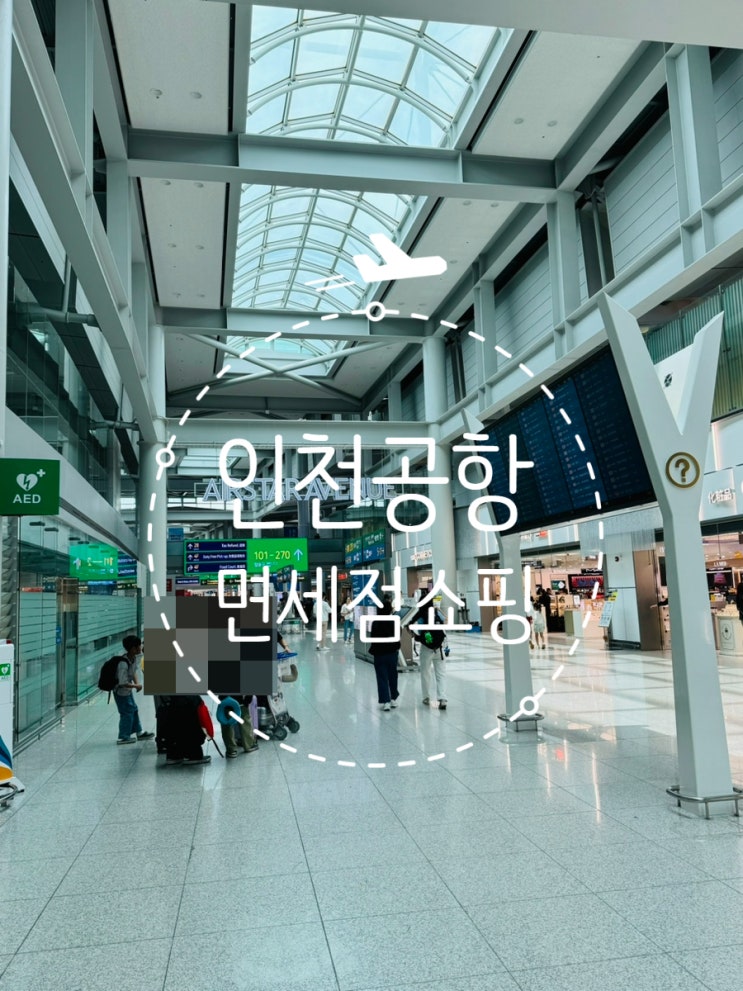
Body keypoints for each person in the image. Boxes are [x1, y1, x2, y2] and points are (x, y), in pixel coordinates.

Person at [113, 636, 154, 745]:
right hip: (121, 693)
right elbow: (122, 682)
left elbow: (133, 671)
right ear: (132, 649)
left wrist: (136, 683)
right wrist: (136, 686)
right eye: (139, 646)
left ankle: (139, 732)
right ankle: (123, 737)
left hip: (127, 691)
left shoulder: (133, 658)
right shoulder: (123, 663)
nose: (141, 647)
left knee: (134, 709)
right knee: (127, 713)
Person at [411, 607, 448, 710]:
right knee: (441, 674)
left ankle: (426, 697)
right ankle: (442, 698)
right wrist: (439, 609)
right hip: (439, 649)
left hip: (426, 649)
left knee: (425, 673)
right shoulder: (436, 613)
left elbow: (416, 632)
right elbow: (446, 621)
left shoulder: (420, 616)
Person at [368, 599, 400, 711]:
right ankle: (393, 699)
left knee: (382, 677)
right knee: (393, 676)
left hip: (379, 654)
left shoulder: (375, 622)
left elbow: (373, 638)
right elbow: (398, 635)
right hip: (392, 653)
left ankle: (386, 701)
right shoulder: (394, 621)